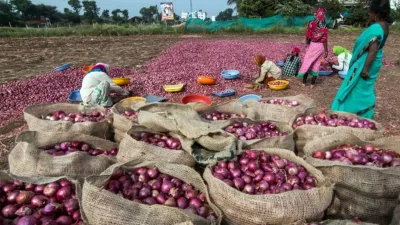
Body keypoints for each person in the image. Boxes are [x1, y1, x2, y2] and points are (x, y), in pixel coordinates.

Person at [331, 0, 391, 119]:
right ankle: (365, 112)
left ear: (376, 13)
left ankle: (349, 112)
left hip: (366, 62)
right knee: (365, 88)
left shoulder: (376, 28)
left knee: (356, 88)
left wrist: (365, 69)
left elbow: (372, 49)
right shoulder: (385, 26)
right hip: (375, 62)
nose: (369, 15)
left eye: (370, 12)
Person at [298, 8, 329, 87]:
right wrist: (326, 50)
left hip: (312, 45)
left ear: (316, 14)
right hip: (320, 46)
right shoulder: (324, 25)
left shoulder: (311, 23)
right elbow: (324, 39)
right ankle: (312, 84)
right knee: (316, 64)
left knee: (308, 61)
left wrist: (307, 42)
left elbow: (307, 33)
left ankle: (304, 83)